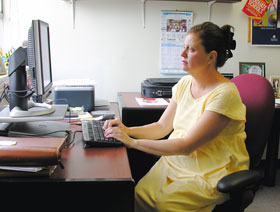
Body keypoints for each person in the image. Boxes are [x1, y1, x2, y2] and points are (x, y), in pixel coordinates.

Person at [103, 22, 250, 212]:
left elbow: (187, 145)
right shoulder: (184, 83)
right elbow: (162, 127)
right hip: (177, 161)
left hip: (211, 170)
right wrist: (126, 130)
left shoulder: (225, 94)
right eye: (184, 48)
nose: (182, 54)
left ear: (211, 57)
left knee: (166, 205)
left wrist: (133, 143)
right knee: (139, 194)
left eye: (191, 50)